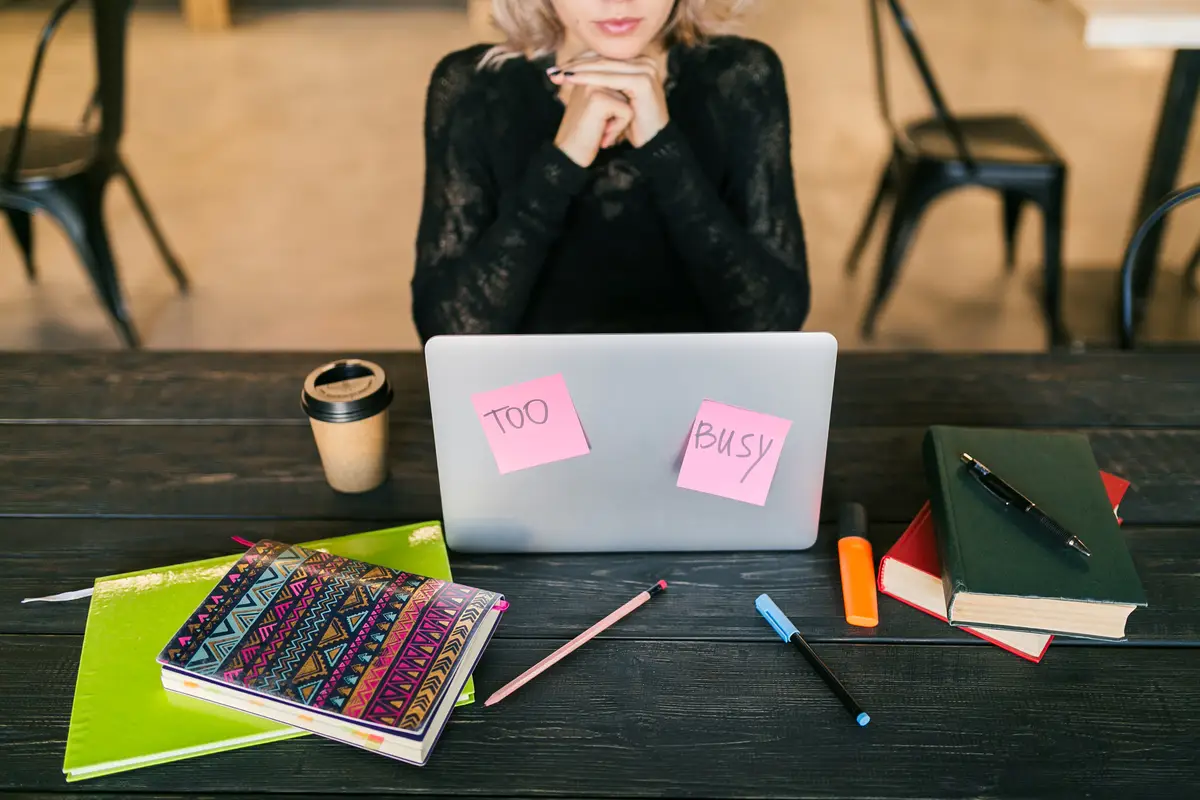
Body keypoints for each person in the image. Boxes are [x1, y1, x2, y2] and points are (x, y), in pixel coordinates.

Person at [412, 0, 810, 343]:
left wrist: (663, 148)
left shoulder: (742, 77)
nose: (619, 1)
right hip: (533, 411)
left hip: (700, 404)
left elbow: (774, 323)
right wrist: (562, 160)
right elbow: (448, 332)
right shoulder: (473, 88)